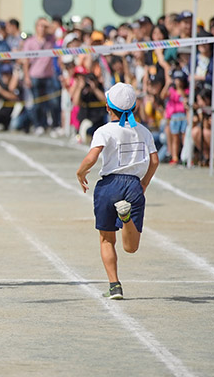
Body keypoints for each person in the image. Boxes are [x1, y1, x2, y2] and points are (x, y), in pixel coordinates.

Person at [76, 83, 159, 300]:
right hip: (133, 185)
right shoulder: (143, 131)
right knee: (131, 247)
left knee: (106, 240)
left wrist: (80, 172)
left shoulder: (104, 131)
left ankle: (114, 286)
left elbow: (92, 157)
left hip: (108, 185)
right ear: (134, 107)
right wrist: (145, 183)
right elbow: (155, 160)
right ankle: (126, 217)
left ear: (108, 107)